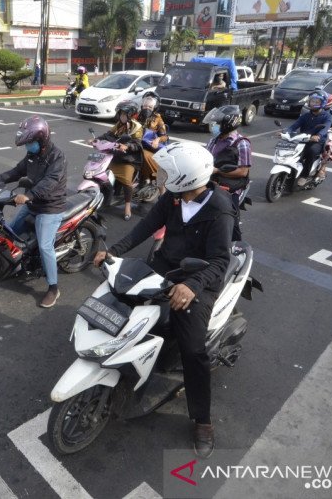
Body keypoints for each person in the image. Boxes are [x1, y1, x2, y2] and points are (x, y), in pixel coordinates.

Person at [93, 142, 235, 458]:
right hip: (166, 265)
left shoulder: (219, 210)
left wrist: (193, 286)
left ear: (186, 176)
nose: (164, 176)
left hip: (199, 280)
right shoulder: (173, 198)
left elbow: (220, 261)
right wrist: (114, 252)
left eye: (170, 172)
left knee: (193, 349)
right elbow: (147, 226)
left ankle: (202, 420)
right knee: (122, 298)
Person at [0, 116, 67, 308]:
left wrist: (29, 195)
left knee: (45, 246)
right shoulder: (32, 155)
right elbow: (17, 171)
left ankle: (53, 288)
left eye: (30, 143)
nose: (27, 147)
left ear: (41, 140)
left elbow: (50, 182)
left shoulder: (57, 157)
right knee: (9, 231)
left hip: (50, 207)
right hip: (33, 203)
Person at [203, 105, 252, 241]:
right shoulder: (214, 140)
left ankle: (234, 244)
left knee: (230, 215)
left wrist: (218, 171)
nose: (215, 126)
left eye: (218, 123)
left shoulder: (242, 143)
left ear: (228, 123)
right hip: (208, 181)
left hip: (230, 186)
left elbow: (243, 171)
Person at [95, 101, 145, 220]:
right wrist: (96, 140)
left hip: (129, 158)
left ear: (131, 115)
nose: (121, 116)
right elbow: (108, 134)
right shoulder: (119, 124)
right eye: (120, 114)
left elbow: (137, 144)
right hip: (115, 155)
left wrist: (127, 146)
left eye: (124, 114)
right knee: (101, 173)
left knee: (126, 181)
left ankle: (127, 206)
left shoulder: (137, 127)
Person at [287, 91, 332, 187]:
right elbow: (294, 125)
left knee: (311, 151)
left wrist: (318, 135)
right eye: (312, 101)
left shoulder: (327, 116)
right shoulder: (305, 116)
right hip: (303, 139)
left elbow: (326, 128)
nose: (313, 104)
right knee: (291, 151)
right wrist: (286, 132)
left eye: (317, 102)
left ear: (322, 103)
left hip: (318, 141)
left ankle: (304, 175)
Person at [138, 93, 167, 189]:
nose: (147, 108)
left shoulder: (158, 118)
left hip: (149, 145)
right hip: (136, 142)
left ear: (154, 107)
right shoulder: (137, 115)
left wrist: (157, 140)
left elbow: (164, 136)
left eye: (150, 107)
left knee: (144, 155)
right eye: (145, 106)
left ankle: (160, 188)